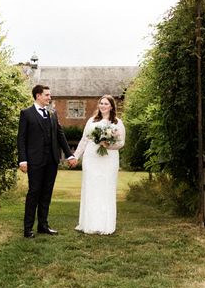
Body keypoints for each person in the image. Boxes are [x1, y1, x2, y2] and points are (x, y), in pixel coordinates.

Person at [17, 84, 76, 238]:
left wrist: (69, 154)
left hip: (51, 160)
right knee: (34, 192)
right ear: (38, 96)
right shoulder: (26, 114)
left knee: (46, 193)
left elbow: (60, 134)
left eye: (49, 95)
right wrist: (22, 160)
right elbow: (21, 139)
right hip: (34, 160)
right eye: (47, 95)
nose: (50, 98)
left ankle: (43, 225)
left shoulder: (52, 113)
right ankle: (28, 228)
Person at [73, 95, 125, 235]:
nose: (103, 106)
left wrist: (107, 145)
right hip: (91, 158)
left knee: (106, 188)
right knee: (91, 188)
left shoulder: (117, 123)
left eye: (106, 103)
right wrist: (76, 156)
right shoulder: (92, 120)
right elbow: (84, 140)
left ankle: (105, 224)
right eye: (101, 103)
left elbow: (121, 143)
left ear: (111, 106)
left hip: (109, 159)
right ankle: (88, 223)